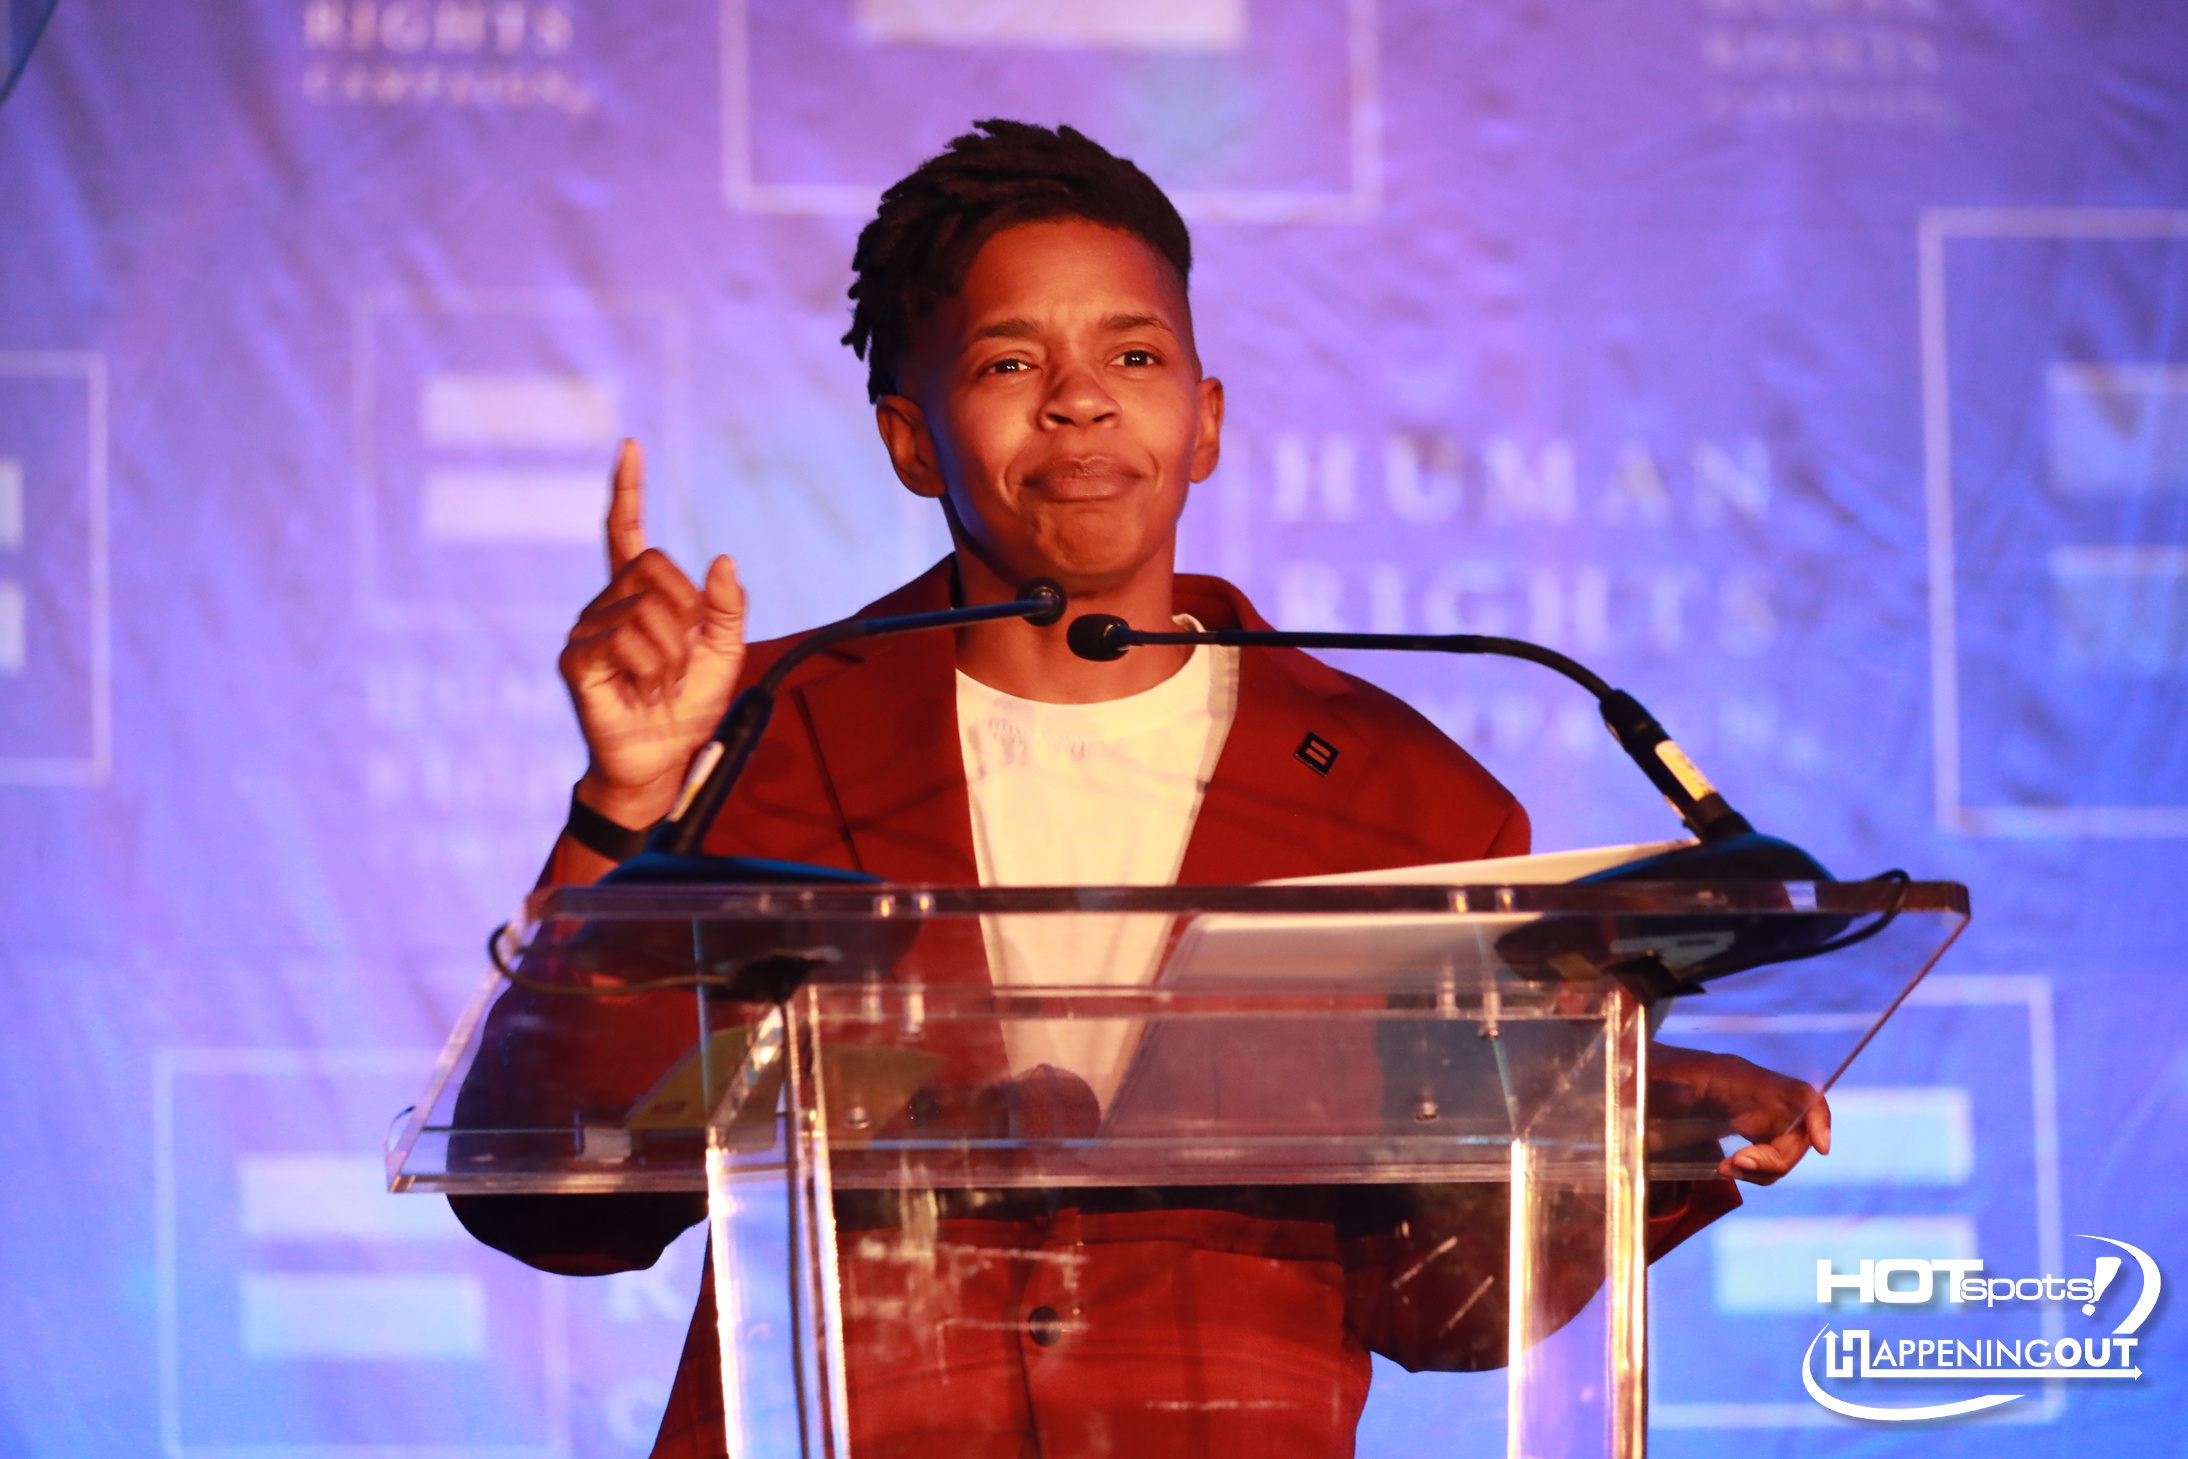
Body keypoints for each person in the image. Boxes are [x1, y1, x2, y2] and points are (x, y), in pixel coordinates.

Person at [453, 120, 1831, 1459]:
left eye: (1134, 351)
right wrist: (627, 806)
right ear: (911, 441)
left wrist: (1632, 1147)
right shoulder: (757, 732)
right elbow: (562, 1209)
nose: (1081, 397)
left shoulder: (1411, 800)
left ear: (1207, 417)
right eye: (1008, 360)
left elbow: (1434, 1304)